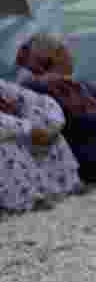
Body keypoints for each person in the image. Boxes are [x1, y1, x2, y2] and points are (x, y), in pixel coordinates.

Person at [15, 33, 96, 185]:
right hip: (88, 160)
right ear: (54, 56)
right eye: (66, 51)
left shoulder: (75, 84)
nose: (71, 56)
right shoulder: (42, 88)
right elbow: (78, 123)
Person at [0, 78, 82, 212]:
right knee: (6, 146)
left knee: (45, 123)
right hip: (8, 134)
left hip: (17, 129)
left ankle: (66, 186)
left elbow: (37, 99)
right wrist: (30, 130)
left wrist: (52, 123)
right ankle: (24, 201)